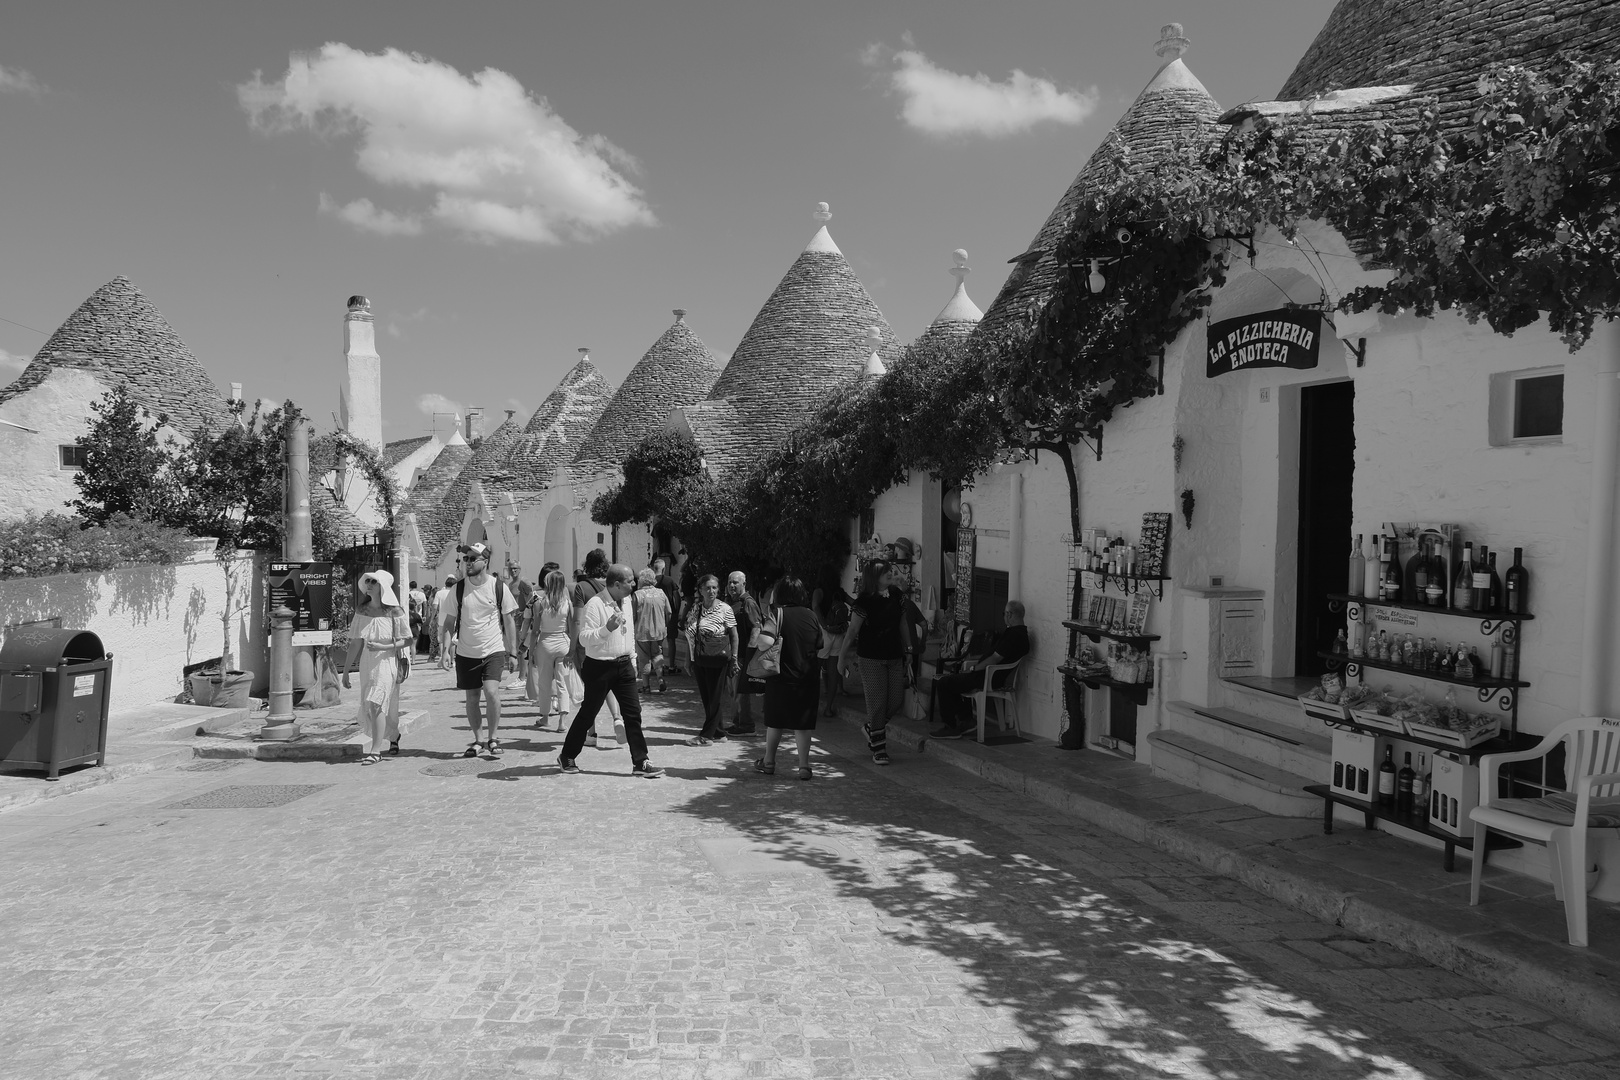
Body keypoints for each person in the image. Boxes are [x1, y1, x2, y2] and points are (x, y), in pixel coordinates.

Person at [557, 564, 662, 779]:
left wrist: (632, 660)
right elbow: (584, 639)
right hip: (599, 667)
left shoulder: (629, 601)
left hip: (624, 666)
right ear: (616, 584)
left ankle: (641, 761)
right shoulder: (595, 604)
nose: (634, 584)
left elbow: (629, 634)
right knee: (588, 714)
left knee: (633, 714)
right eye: (630, 581)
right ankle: (567, 755)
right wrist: (607, 629)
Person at [838, 560, 911, 765]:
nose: (890, 573)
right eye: (884, 571)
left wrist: (909, 648)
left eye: (890, 570)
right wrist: (842, 658)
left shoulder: (897, 595)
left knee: (896, 699)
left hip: (894, 655)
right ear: (873, 577)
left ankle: (871, 729)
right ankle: (879, 749)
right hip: (870, 658)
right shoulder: (864, 601)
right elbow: (852, 631)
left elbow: (903, 623)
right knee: (877, 703)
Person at [450, 542, 518, 758]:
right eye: (465, 559)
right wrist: (444, 651)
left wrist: (513, 652)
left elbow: (508, 622)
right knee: (472, 697)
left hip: (493, 649)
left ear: (485, 562)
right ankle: (479, 739)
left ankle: (493, 737)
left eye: (472, 558)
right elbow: (449, 621)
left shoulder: (499, 587)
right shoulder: (458, 589)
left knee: (491, 692)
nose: (467, 562)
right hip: (466, 651)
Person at [931, 601, 1031, 739]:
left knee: (944, 683)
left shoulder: (1015, 636)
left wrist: (973, 668)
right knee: (955, 681)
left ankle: (950, 726)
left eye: (1004, 614)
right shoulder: (1017, 633)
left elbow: (995, 658)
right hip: (987, 675)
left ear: (1009, 614)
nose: (1004, 617)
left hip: (989, 678)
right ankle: (967, 721)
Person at [341, 570, 411, 764]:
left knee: (376, 702)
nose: (369, 584)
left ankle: (375, 750)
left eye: (374, 581)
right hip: (367, 663)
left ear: (383, 587)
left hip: (387, 661)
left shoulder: (394, 611)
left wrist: (384, 646)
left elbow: (407, 640)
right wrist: (346, 671)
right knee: (374, 706)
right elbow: (355, 643)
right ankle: (393, 735)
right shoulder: (361, 611)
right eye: (368, 581)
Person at [757, 577, 823, 781]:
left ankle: (769, 762)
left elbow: (764, 643)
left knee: (775, 722)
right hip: (807, 678)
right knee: (803, 725)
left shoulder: (777, 614)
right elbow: (820, 642)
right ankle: (804, 766)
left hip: (781, 677)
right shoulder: (811, 615)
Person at [571, 548, 624, 747]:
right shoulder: (612, 585)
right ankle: (617, 717)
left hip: (589, 641)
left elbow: (577, 621)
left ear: (587, 565)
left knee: (590, 688)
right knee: (607, 683)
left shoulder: (581, 587)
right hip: (612, 640)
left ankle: (591, 734)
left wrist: (572, 647)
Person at [684, 574, 738, 745]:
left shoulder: (725, 609)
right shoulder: (696, 608)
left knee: (715, 697)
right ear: (700, 590)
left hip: (717, 658)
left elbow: (734, 635)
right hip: (700, 658)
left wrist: (734, 658)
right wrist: (688, 659)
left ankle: (706, 736)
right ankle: (719, 733)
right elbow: (689, 635)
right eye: (707, 588)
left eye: (714, 587)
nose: (711, 591)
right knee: (707, 697)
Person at [526, 566, 574, 731]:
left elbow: (535, 631)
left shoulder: (541, 603)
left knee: (544, 682)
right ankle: (562, 721)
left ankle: (545, 717)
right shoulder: (567, 603)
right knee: (563, 683)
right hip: (563, 642)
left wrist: (531, 651)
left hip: (545, 643)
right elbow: (571, 627)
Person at [725, 570, 765, 737]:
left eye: (735, 582)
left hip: (742, 655)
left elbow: (757, 627)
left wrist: (750, 653)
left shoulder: (747, 602)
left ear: (744, 584)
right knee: (734, 691)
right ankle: (738, 722)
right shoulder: (733, 602)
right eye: (730, 583)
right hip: (733, 654)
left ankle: (746, 724)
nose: (732, 586)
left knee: (741, 691)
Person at [813, 585, 851, 717]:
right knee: (834, 672)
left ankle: (811, 707)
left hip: (825, 634)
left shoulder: (819, 591)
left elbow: (815, 607)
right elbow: (855, 603)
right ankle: (828, 708)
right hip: (839, 634)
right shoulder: (840, 591)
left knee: (814, 671)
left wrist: (824, 625)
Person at [632, 568, 671, 694]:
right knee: (657, 654)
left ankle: (646, 686)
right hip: (659, 631)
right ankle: (660, 679)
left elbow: (632, 615)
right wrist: (664, 624)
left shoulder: (637, 594)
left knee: (644, 658)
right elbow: (669, 612)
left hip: (642, 631)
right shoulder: (661, 593)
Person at [652, 555, 681, 676]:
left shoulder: (650, 581)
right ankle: (672, 665)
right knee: (671, 640)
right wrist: (676, 611)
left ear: (654, 568)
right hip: (669, 613)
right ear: (664, 569)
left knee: (657, 641)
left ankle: (658, 665)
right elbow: (676, 597)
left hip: (655, 614)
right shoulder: (670, 581)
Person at [507, 564, 535, 687]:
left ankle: (522, 677)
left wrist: (525, 613)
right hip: (514, 619)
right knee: (519, 647)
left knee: (522, 647)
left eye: (515, 568)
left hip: (522, 619)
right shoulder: (510, 584)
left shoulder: (524, 583)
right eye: (511, 568)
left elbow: (530, 598)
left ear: (520, 569)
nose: (513, 571)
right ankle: (525, 676)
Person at [435, 574, 458, 670]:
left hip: (441, 620)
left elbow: (434, 606)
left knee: (441, 641)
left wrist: (433, 617)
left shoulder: (439, 593)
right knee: (452, 642)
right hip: (454, 619)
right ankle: (452, 661)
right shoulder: (456, 593)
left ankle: (442, 658)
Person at [407, 580, 427, 655]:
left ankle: (410, 649)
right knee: (416, 634)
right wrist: (424, 615)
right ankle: (415, 648)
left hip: (409, 616)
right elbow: (425, 605)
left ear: (410, 586)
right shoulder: (421, 594)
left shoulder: (408, 593)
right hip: (419, 615)